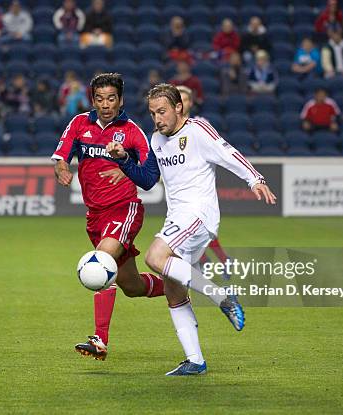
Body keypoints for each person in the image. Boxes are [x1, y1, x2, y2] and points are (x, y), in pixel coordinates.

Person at [106, 84, 276, 375]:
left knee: (155, 257)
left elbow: (229, 153)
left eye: (162, 112)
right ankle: (195, 360)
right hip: (179, 219)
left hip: (198, 215)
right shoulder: (157, 140)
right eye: (152, 113)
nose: (157, 119)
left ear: (178, 108)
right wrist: (124, 160)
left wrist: (255, 179)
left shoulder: (198, 130)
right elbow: (147, 179)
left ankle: (221, 296)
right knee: (174, 289)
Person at [52, 73, 166, 361]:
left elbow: (150, 169)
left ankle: (99, 340)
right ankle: (179, 285)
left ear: (121, 100)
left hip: (124, 208)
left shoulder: (131, 131)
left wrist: (125, 166)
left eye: (111, 98)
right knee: (132, 286)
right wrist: (62, 169)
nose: (106, 104)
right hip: (95, 216)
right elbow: (61, 155)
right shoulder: (79, 124)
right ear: (93, 100)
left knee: (102, 261)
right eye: (100, 99)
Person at [177, 85, 236, 273]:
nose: (181, 103)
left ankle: (215, 262)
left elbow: (214, 148)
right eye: (178, 99)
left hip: (198, 181)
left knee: (201, 225)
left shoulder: (201, 123)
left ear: (191, 103)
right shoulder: (165, 125)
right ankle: (209, 262)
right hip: (179, 184)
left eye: (185, 99)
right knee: (187, 229)